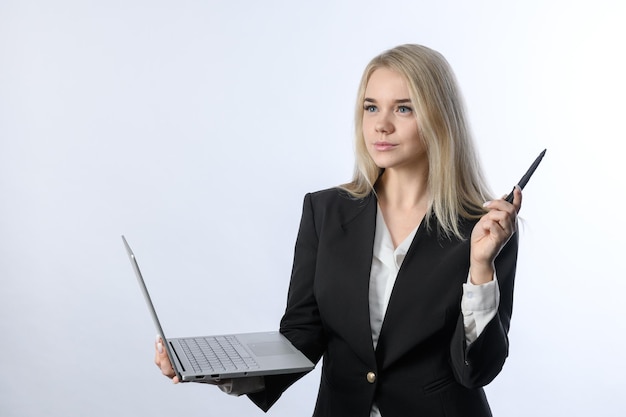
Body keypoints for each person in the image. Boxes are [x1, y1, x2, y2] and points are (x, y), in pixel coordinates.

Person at [155, 44, 521, 417]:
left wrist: (480, 268)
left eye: (404, 108)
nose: (381, 124)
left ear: (440, 117)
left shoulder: (486, 229)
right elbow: (302, 334)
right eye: (371, 107)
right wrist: (218, 369)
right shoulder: (324, 211)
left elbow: (477, 369)